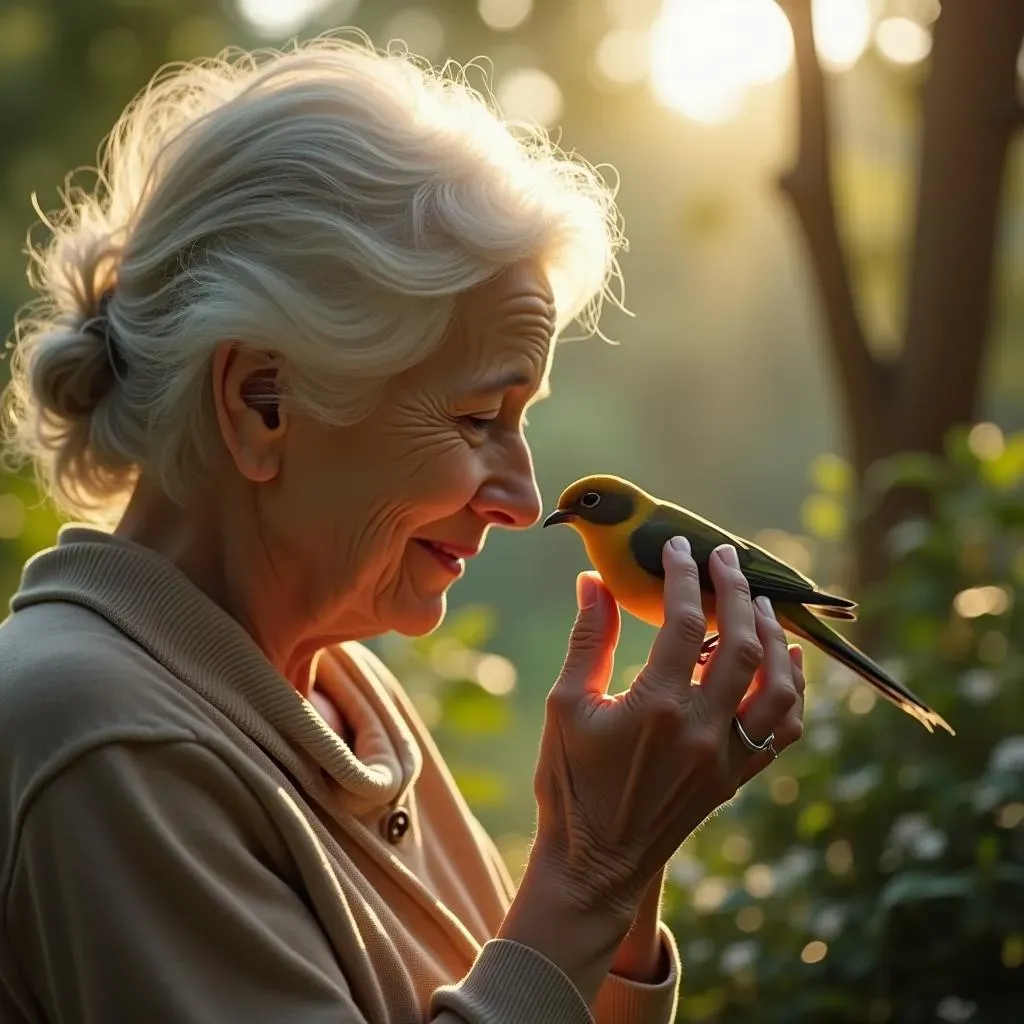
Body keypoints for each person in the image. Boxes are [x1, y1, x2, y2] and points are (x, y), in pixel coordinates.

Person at [0, 36, 805, 1024]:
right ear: (261, 401)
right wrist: (585, 873)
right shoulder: (101, 736)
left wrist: (621, 877)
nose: (519, 499)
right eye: (478, 419)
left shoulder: (335, 687)